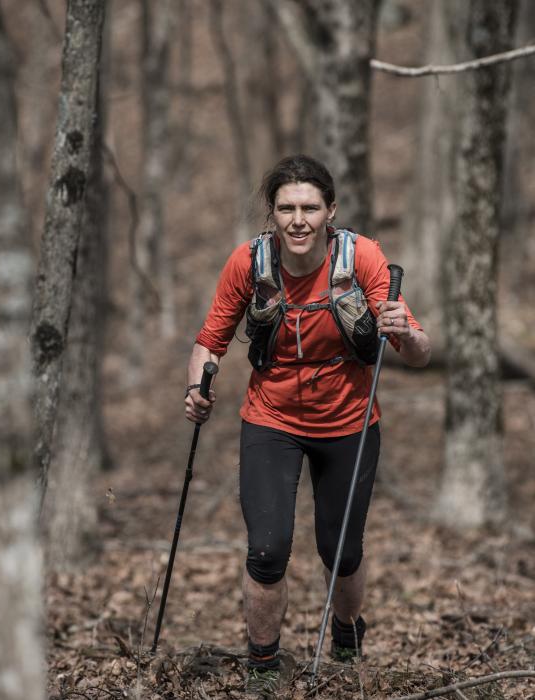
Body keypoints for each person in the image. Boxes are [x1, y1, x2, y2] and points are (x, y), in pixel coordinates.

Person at [185, 155, 431, 695]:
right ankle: (264, 666)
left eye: (310, 208)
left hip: (350, 421)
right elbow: (210, 339)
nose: (298, 219)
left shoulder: (361, 257)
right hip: (270, 418)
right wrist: (195, 389)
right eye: (286, 208)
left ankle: (345, 635)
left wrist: (404, 332)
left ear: (330, 211)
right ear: (271, 214)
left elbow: (418, 351)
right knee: (267, 549)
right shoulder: (249, 263)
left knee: (340, 551)